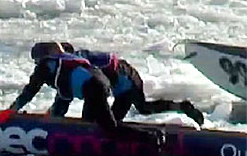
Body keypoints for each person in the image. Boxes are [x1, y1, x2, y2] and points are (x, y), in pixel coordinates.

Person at [59, 43, 204, 126]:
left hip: (129, 81)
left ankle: (183, 107)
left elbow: (111, 61)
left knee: (143, 109)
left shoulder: (82, 59)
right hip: (120, 88)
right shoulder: (71, 69)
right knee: (110, 121)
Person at [0, 42, 124, 130]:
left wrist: (12, 110)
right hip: (100, 85)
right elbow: (63, 99)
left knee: (107, 127)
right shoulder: (67, 62)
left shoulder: (46, 66)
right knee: (92, 123)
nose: (36, 65)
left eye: (36, 61)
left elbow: (30, 90)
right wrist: (53, 116)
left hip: (93, 88)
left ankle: (137, 139)